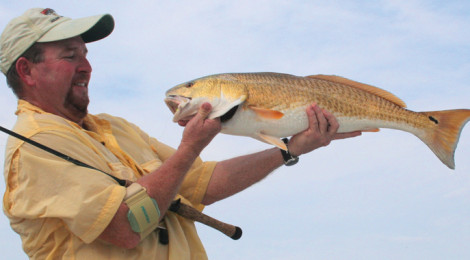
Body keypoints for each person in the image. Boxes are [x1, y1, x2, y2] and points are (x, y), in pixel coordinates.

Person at [0, 8, 361, 260]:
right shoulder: (36, 146)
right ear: (27, 70)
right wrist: (189, 148)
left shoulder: (115, 127)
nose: (87, 67)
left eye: (86, 53)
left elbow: (202, 184)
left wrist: (289, 148)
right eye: (69, 56)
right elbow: (125, 226)